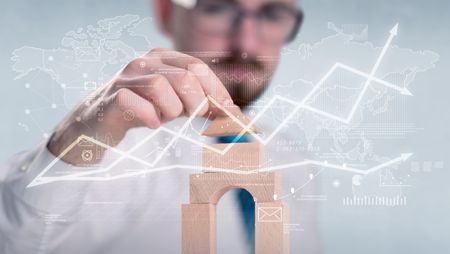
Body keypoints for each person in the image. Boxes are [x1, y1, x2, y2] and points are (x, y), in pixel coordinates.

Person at [0, 0, 320, 253]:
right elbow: (18, 241)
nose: (246, 42)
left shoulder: (290, 158)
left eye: (273, 12)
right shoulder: (115, 156)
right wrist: (77, 140)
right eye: (218, 7)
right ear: (166, 11)